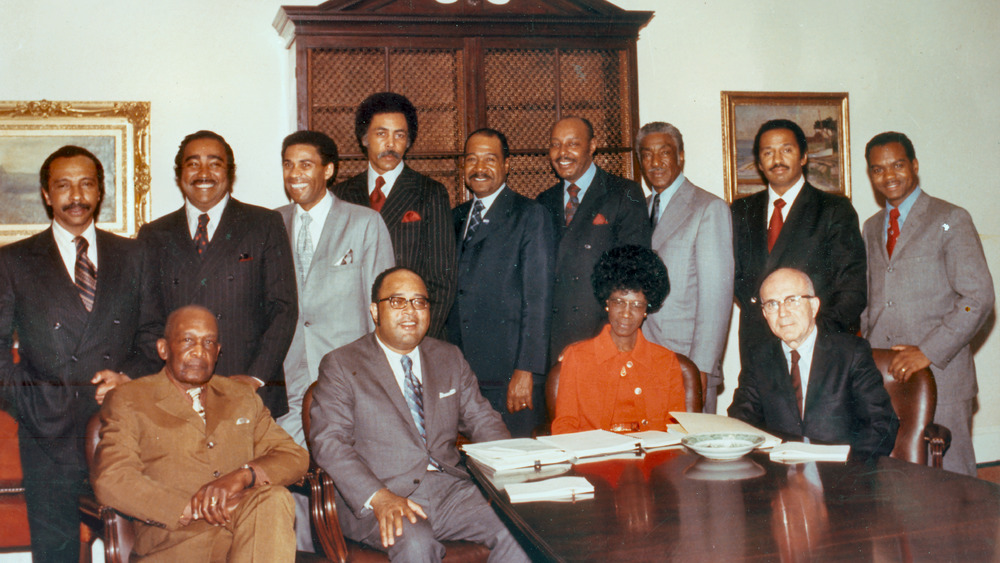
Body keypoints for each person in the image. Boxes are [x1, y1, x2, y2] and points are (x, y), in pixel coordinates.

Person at [0, 146, 159, 562]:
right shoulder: (14, 261)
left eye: (87, 183)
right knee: (55, 553)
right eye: (64, 185)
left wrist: (127, 378)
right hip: (46, 432)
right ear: (47, 194)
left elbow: (152, 336)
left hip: (120, 428)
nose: (76, 195)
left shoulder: (134, 255)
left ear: (100, 191)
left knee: (137, 546)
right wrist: (30, 401)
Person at [309, 267, 530, 562]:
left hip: (452, 492)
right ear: (375, 311)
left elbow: (483, 421)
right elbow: (329, 443)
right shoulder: (341, 364)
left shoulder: (449, 357)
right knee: (416, 544)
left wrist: (514, 468)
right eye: (397, 301)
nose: (410, 311)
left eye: (419, 302)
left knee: (522, 529)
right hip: (380, 495)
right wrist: (379, 497)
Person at [93, 305, 309, 561]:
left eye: (208, 342)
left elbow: (294, 456)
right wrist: (192, 508)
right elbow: (112, 479)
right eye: (187, 340)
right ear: (163, 349)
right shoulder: (130, 399)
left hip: (249, 540)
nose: (199, 351)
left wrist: (242, 477)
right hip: (175, 545)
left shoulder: (240, 396)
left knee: (273, 498)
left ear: (218, 352)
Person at [275, 130, 394, 549]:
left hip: (348, 383)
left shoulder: (364, 222)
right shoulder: (273, 223)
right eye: (288, 164)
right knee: (289, 490)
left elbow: (383, 310)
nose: (295, 173)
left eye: (305, 164)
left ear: (328, 169)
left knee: (347, 486)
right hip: (288, 385)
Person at [860, 132, 994, 476]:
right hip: (885, 381)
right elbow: (873, 299)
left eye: (897, 165)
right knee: (895, 483)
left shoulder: (950, 218)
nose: (889, 176)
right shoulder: (872, 227)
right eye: (878, 169)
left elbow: (978, 297)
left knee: (952, 481)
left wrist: (928, 351)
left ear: (915, 166)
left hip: (941, 377)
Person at [138, 130, 298, 417]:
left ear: (229, 173)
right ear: (180, 175)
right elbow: (148, 320)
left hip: (248, 388)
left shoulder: (264, 224)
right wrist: (169, 380)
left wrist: (256, 378)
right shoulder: (154, 235)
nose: (203, 173)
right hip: (177, 393)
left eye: (214, 163)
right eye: (193, 163)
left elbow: (283, 309)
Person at [446, 128, 555, 437]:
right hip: (462, 373)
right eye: (471, 159)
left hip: (509, 375)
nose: (479, 168)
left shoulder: (530, 215)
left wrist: (526, 371)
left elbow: (539, 298)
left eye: (490, 159)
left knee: (513, 465)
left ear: (507, 165)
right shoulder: (455, 217)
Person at [731, 119, 866, 364]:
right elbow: (736, 276)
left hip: (818, 346)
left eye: (786, 150)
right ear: (760, 163)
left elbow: (851, 288)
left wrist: (814, 336)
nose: (777, 159)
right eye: (768, 153)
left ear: (804, 157)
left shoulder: (834, 209)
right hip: (758, 344)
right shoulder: (741, 210)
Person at [728, 268, 898, 459]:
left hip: (841, 476)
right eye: (772, 304)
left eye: (792, 300)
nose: (782, 313)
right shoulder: (759, 358)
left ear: (814, 306)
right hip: (779, 478)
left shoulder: (851, 353)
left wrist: (851, 470)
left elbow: (881, 423)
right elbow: (740, 420)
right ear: (765, 314)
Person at [333, 92, 456, 338]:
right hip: (352, 334)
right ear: (364, 138)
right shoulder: (340, 195)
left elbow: (443, 280)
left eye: (399, 135)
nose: (390, 144)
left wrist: (420, 338)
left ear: (408, 141)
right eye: (381, 134)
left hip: (411, 332)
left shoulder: (430, 193)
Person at [636, 122, 734, 413]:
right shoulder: (638, 209)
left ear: (680, 156)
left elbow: (716, 299)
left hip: (687, 362)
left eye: (664, 153)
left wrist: (701, 368)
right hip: (642, 357)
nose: (655, 162)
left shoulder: (708, 208)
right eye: (646, 155)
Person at [536, 116, 651, 361]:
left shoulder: (623, 193)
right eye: (555, 144)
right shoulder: (543, 202)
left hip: (602, 339)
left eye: (572, 144)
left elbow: (631, 276)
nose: (562, 153)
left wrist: (602, 339)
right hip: (552, 340)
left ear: (592, 146)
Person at [552, 245, 686, 434]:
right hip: (594, 459)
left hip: (653, 460)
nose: (626, 314)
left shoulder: (666, 361)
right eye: (619, 302)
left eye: (637, 305)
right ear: (607, 302)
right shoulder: (577, 357)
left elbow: (676, 430)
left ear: (647, 310)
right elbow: (565, 426)